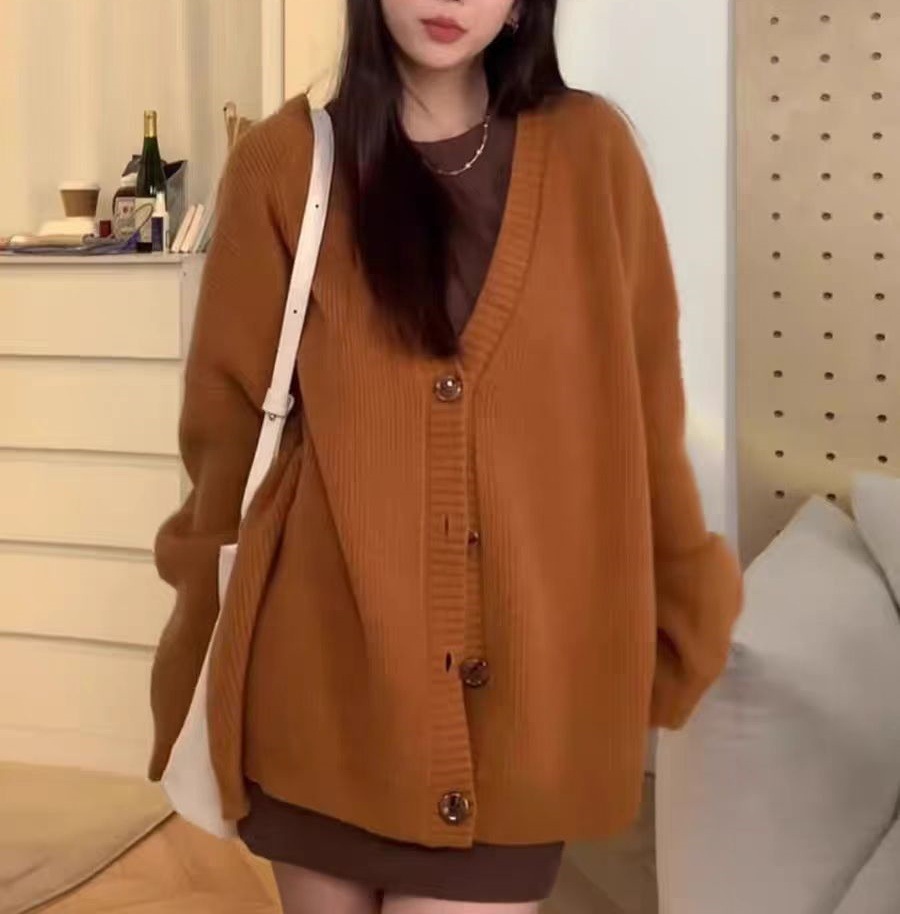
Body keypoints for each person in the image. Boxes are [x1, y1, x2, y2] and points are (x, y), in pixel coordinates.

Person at [148, 0, 743, 911]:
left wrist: (680, 610)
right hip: (316, 696)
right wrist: (199, 653)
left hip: (517, 719)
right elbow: (222, 444)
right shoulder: (284, 164)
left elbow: (646, 409)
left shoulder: (591, 156)